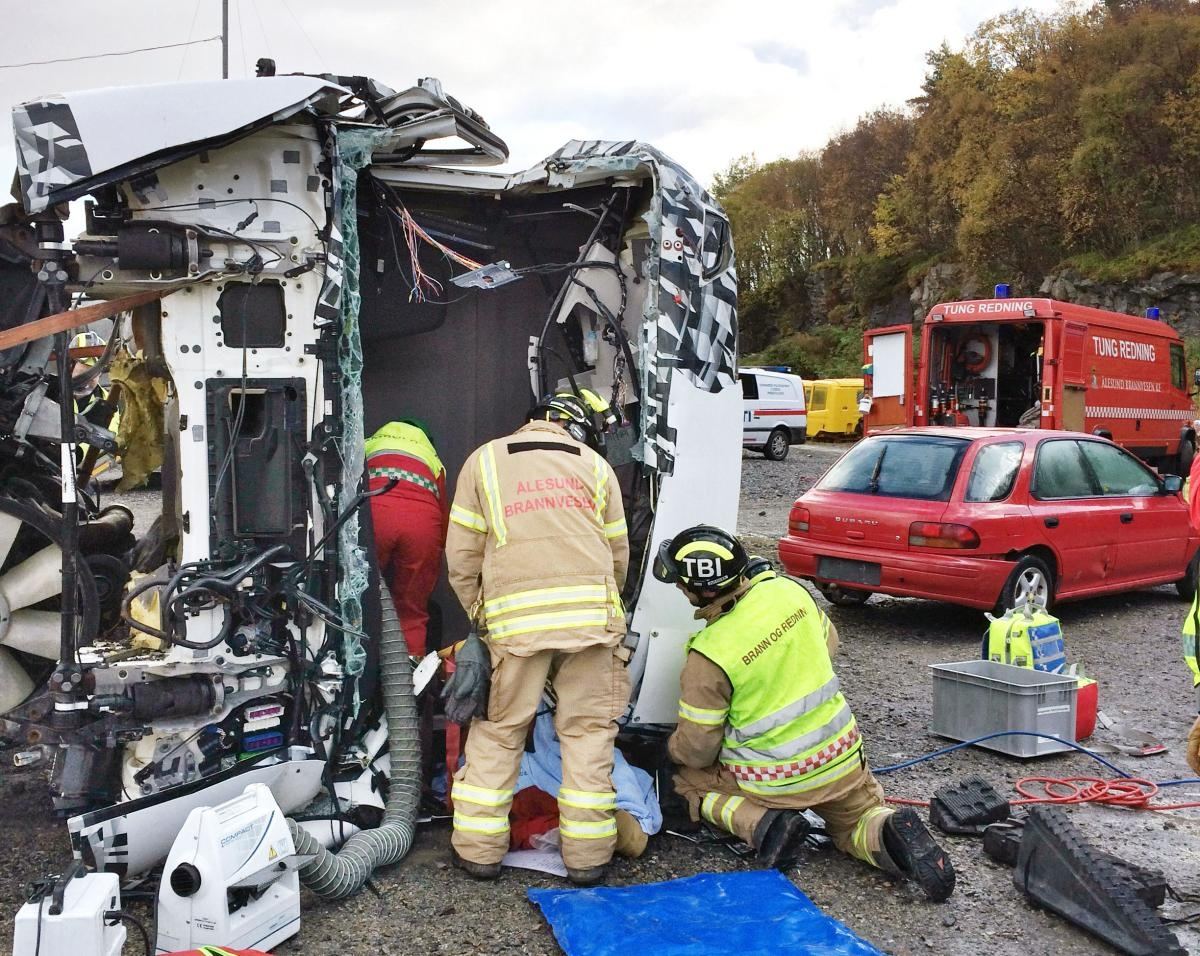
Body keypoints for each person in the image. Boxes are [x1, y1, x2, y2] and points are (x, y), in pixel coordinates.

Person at [658, 526, 955, 902]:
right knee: (855, 824)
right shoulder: (789, 592)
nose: (678, 587)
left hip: (775, 782)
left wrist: (669, 748)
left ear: (699, 590)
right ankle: (889, 832)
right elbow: (829, 645)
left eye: (680, 582)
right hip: (841, 759)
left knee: (687, 781)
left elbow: (698, 750)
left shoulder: (709, 655)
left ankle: (767, 824)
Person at [444, 390, 629, 885]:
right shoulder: (596, 467)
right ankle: (588, 859)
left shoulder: (484, 461)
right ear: (578, 427)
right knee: (587, 735)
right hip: (592, 625)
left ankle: (480, 852)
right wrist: (601, 610)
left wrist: (482, 619)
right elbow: (617, 556)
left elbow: (462, 559)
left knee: (499, 732)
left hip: (514, 627)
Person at [365, 420, 448, 657]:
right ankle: (410, 671)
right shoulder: (432, 459)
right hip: (422, 522)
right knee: (412, 609)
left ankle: (359, 670)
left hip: (376, 512)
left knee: (362, 597)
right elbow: (443, 512)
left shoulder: (367, 445)